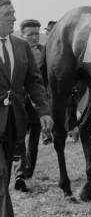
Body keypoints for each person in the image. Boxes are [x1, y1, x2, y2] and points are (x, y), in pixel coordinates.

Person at [0, 0, 53, 217]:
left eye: (13, 13)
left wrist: (43, 111)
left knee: (5, 175)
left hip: (14, 122)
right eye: (8, 14)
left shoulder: (20, 45)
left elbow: (34, 80)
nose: (13, 17)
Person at [14, 19, 45, 189]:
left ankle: (28, 171)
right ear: (22, 36)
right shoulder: (15, 51)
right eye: (30, 35)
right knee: (18, 138)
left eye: (36, 34)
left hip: (37, 103)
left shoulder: (45, 52)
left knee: (33, 139)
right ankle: (19, 173)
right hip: (18, 101)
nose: (34, 37)